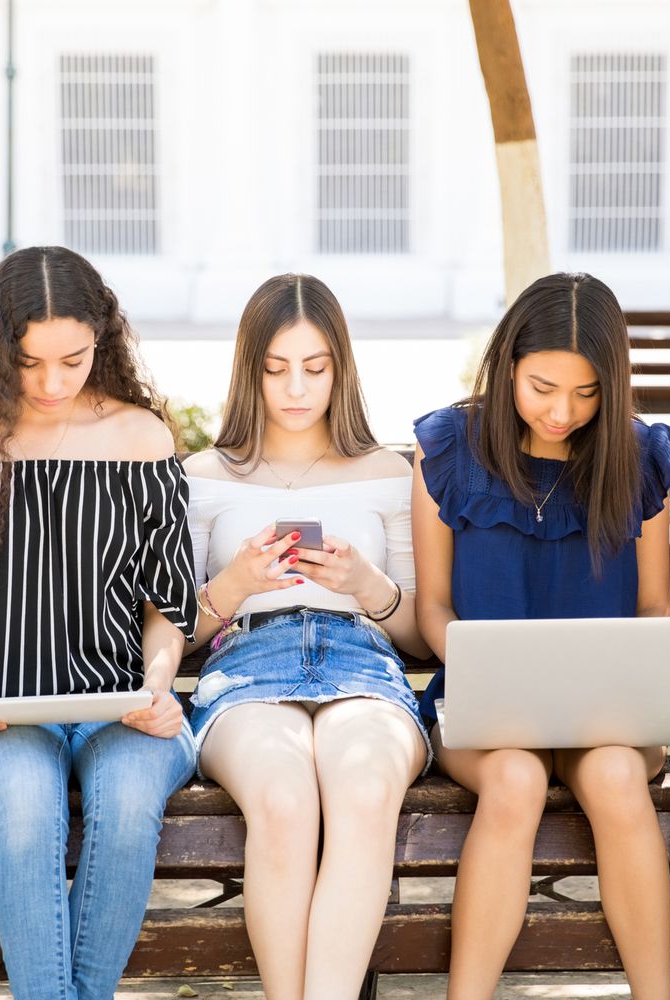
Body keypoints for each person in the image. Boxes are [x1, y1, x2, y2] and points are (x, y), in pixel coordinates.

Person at [0, 246, 198, 1000]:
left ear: (103, 340)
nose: (52, 384)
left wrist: (157, 687)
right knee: (27, 810)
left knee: (126, 811)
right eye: (27, 364)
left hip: (122, 709)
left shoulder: (142, 440)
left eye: (73, 360)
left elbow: (169, 605)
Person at [411, 273, 670, 1000]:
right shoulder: (448, 450)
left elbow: (654, 603)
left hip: (608, 714)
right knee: (516, 778)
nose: (562, 411)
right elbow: (433, 605)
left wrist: (631, 676)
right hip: (485, 709)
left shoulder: (639, 457)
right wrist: (479, 665)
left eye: (587, 393)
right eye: (541, 387)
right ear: (507, 367)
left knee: (619, 778)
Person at [183, 273, 430, 998]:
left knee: (363, 784)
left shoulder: (389, 473)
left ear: (341, 370)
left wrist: (365, 586)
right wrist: (236, 585)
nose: (296, 388)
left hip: (363, 662)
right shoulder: (204, 475)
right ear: (248, 370)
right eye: (276, 369)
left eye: (316, 368)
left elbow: (419, 635)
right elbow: (174, 635)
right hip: (246, 664)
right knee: (285, 800)